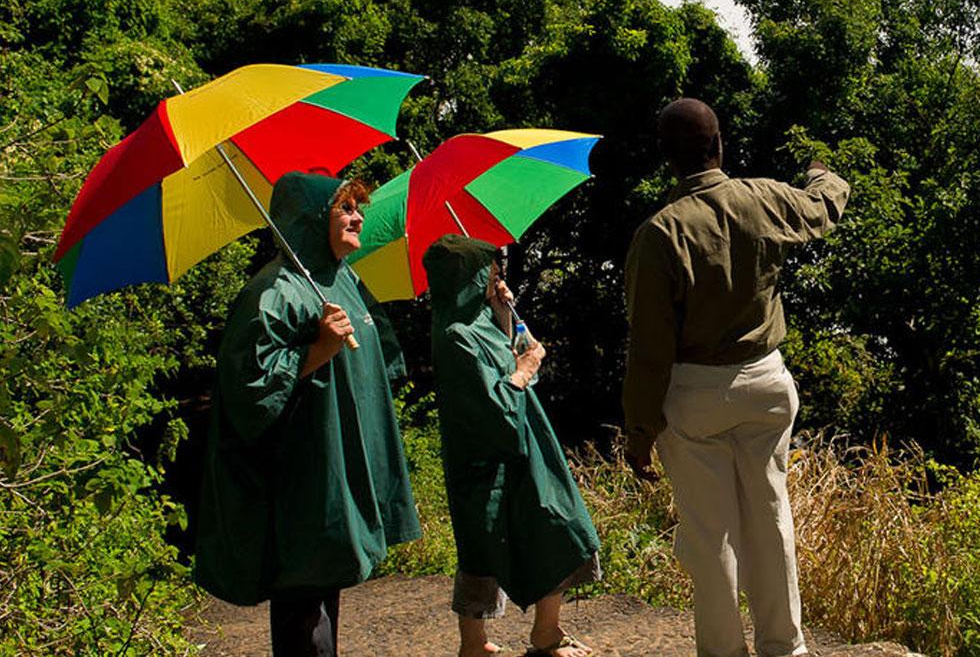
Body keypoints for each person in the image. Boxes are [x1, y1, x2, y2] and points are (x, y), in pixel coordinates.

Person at [623, 98, 850, 657]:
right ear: (719, 144)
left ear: (667, 160)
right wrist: (822, 174)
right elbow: (823, 207)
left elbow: (649, 350)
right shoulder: (762, 198)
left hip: (696, 394)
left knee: (710, 537)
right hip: (766, 384)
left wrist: (638, 429)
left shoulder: (659, 235)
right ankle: (784, 647)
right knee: (772, 519)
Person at [194, 171, 420, 657]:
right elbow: (249, 393)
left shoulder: (343, 280)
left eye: (358, 206)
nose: (358, 216)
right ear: (312, 219)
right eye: (345, 208)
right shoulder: (275, 292)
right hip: (303, 479)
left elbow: (384, 360)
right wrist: (316, 350)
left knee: (326, 587)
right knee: (305, 599)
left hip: (339, 465)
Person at [424, 234, 601, 657]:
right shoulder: (454, 335)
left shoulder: (482, 320)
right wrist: (523, 369)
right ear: (467, 276)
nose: (498, 275)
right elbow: (497, 400)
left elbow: (520, 357)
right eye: (490, 269)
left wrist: (506, 318)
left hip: (525, 446)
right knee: (482, 546)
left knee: (557, 523)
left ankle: (547, 632)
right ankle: (474, 644)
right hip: (483, 457)